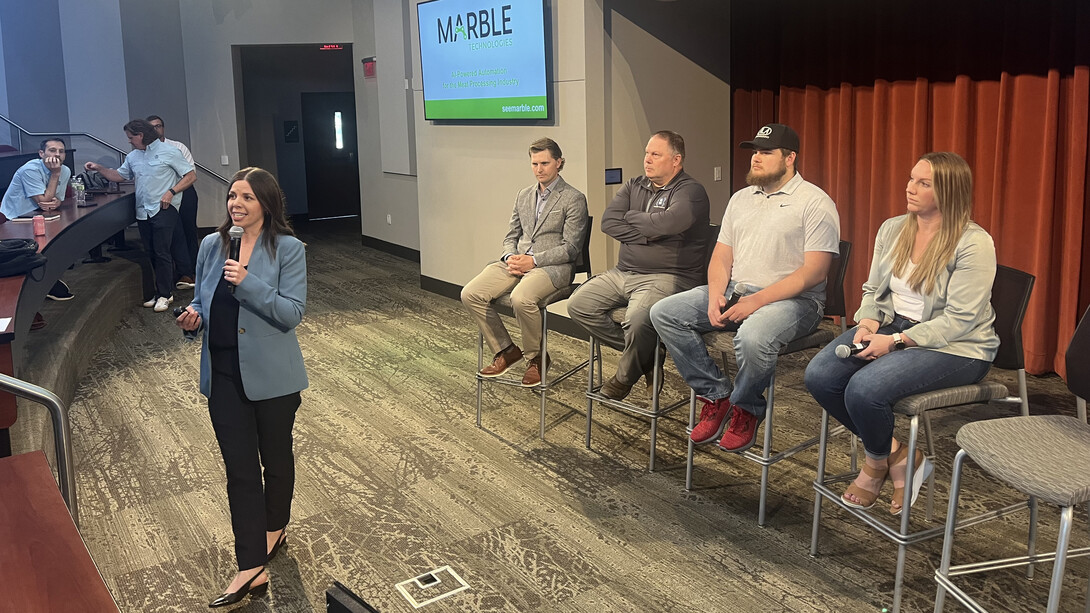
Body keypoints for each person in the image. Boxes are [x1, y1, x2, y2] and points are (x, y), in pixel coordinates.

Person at [804, 151, 997, 515]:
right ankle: (900, 454)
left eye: (924, 184)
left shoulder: (974, 243)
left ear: (949, 192)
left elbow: (961, 319)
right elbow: (873, 291)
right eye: (911, 179)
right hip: (894, 326)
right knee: (821, 376)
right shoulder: (893, 228)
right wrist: (867, 321)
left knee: (865, 390)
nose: (910, 188)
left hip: (959, 347)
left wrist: (895, 342)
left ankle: (875, 463)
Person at [650, 123, 840, 452]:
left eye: (766, 152)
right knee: (664, 313)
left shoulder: (814, 202)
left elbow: (815, 272)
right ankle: (716, 395)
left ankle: (747, 408)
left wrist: (756, 302)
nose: (756, 158)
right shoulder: (741, 199)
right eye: (754, 151)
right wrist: (714, 293)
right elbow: (722, 256)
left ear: (790, 157)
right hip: (740, 288)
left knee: (752, 337)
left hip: (796, 301)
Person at [175, 167, 307, 607]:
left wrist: (247, 283)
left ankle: (276, 525)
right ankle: (250, 566)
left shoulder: (288, 249)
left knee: (275, 458)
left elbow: (291, 314)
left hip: (273, 379)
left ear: (266, 204)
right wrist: (192, 319)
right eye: (233, 195)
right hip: (224, 376)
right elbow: (200, 298)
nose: (237, 203)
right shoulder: (213, 245)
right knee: (240, 472)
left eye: (247, 197)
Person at [567, 130, 710, 400]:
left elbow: (672, 222)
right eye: (647, 153)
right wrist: (650, 233)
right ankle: (648, 355)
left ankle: (623, 378)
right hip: (623, 272)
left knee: (636, 319)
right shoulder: (635, 184)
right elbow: (608, 222)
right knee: (578, 305)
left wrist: (632, 217)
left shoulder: (691, 191)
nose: (647, 159)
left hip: (669, 276)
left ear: (676, 160)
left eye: (655, 154)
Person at [461, 138, 588, 386]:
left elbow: (571, 249)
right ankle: (506, 350)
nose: (539, 169)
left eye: (544, 163)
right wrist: (510, 257)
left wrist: (534, 260)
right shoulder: (524, 195)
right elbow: (511, 236)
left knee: (521, 299)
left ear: (559, 163)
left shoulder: (573, 198)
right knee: (470, 293)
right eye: (534, 163)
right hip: (517, 262)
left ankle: (537, 358)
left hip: (552, 268)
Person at [85, 119, 196, 312]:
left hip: (164, 208)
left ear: (141, 136)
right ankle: (160, 291)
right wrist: (99, 168)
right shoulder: (133, 156)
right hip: (143, 211)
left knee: (162, 251)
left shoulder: (169, 152)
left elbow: (190, 176)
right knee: (151, 251)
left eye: (130, 137)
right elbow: (120, 176)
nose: (129, 141)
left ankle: (165, 294)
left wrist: (171, 192)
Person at [0, 137, 75, 305]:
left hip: (40, 216)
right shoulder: (30, 170)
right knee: (40, 247)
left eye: (61, 151)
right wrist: (55, 175)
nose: (57, 155)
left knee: (61, 238)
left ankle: (49, 281)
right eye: (52, 150)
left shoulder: (65, 170)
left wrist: (57, 202)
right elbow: (44, 200)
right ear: (41, 153)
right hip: (15, 219)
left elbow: (56, 200)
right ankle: (38, 288)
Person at [147, 115, 199, 290]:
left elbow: (190, 174)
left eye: (159, 126)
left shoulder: (177, 147)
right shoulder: (145, 152)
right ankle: (179, 272)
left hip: (183, 192)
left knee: (188, 231)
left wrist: (172, 189)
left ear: (163, 128)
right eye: (151, 127)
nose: (156, 130)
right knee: (175, 234)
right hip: (161, 196)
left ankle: (191, 272)